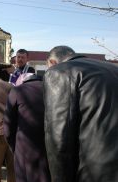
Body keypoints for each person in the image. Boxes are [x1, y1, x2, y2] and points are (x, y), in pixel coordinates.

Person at [44, 45, 118, 182]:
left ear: (52, 63)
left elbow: (59, 138)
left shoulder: (60, 72)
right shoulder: (113, 69)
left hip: (94, 171)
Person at [4, 72, 51, 182]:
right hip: (49, 146)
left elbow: (8, 124)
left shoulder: (17, 90)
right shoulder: (53, 90)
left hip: (24, 146)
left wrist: (14, 147)